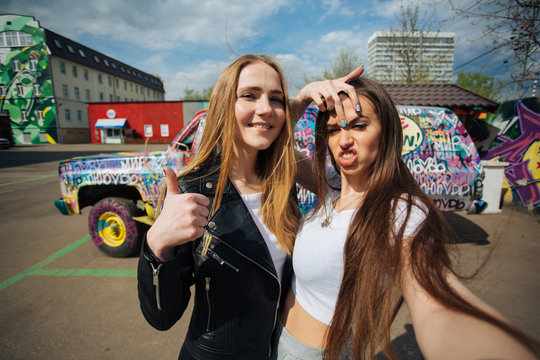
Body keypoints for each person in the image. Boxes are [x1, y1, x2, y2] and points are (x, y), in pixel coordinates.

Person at [273, 77, 539, 360]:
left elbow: (435, 300)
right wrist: (302, 99)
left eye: (359, 125)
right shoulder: (329, 186)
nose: (344, 140)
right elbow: (272, 145)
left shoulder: (400, 209)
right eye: (333, 130)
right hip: (277, 337)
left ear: (386, 132)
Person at [137, 54, 363, 360]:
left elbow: (347, 185)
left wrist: (305, 95)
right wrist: (156, 244)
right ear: (224, 106)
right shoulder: (190, 191)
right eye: (249, 95)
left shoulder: (283, 175)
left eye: (276, 99)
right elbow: (161, 317)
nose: (265, 108)